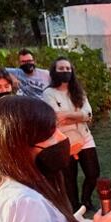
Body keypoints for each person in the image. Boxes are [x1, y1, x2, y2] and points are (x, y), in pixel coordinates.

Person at [43, 57, 100, 212]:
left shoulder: (78, 92)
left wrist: (67, 115)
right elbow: (55, 118)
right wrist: (77, 115)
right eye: (61, 69)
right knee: (69, 177)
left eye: (68, 69)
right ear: (54, 71)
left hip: (85, 137)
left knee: (93, 172)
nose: (65, 72)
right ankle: (75, 207)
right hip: (64, 141)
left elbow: (88, 114)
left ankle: (86, 200)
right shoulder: (49, 93)